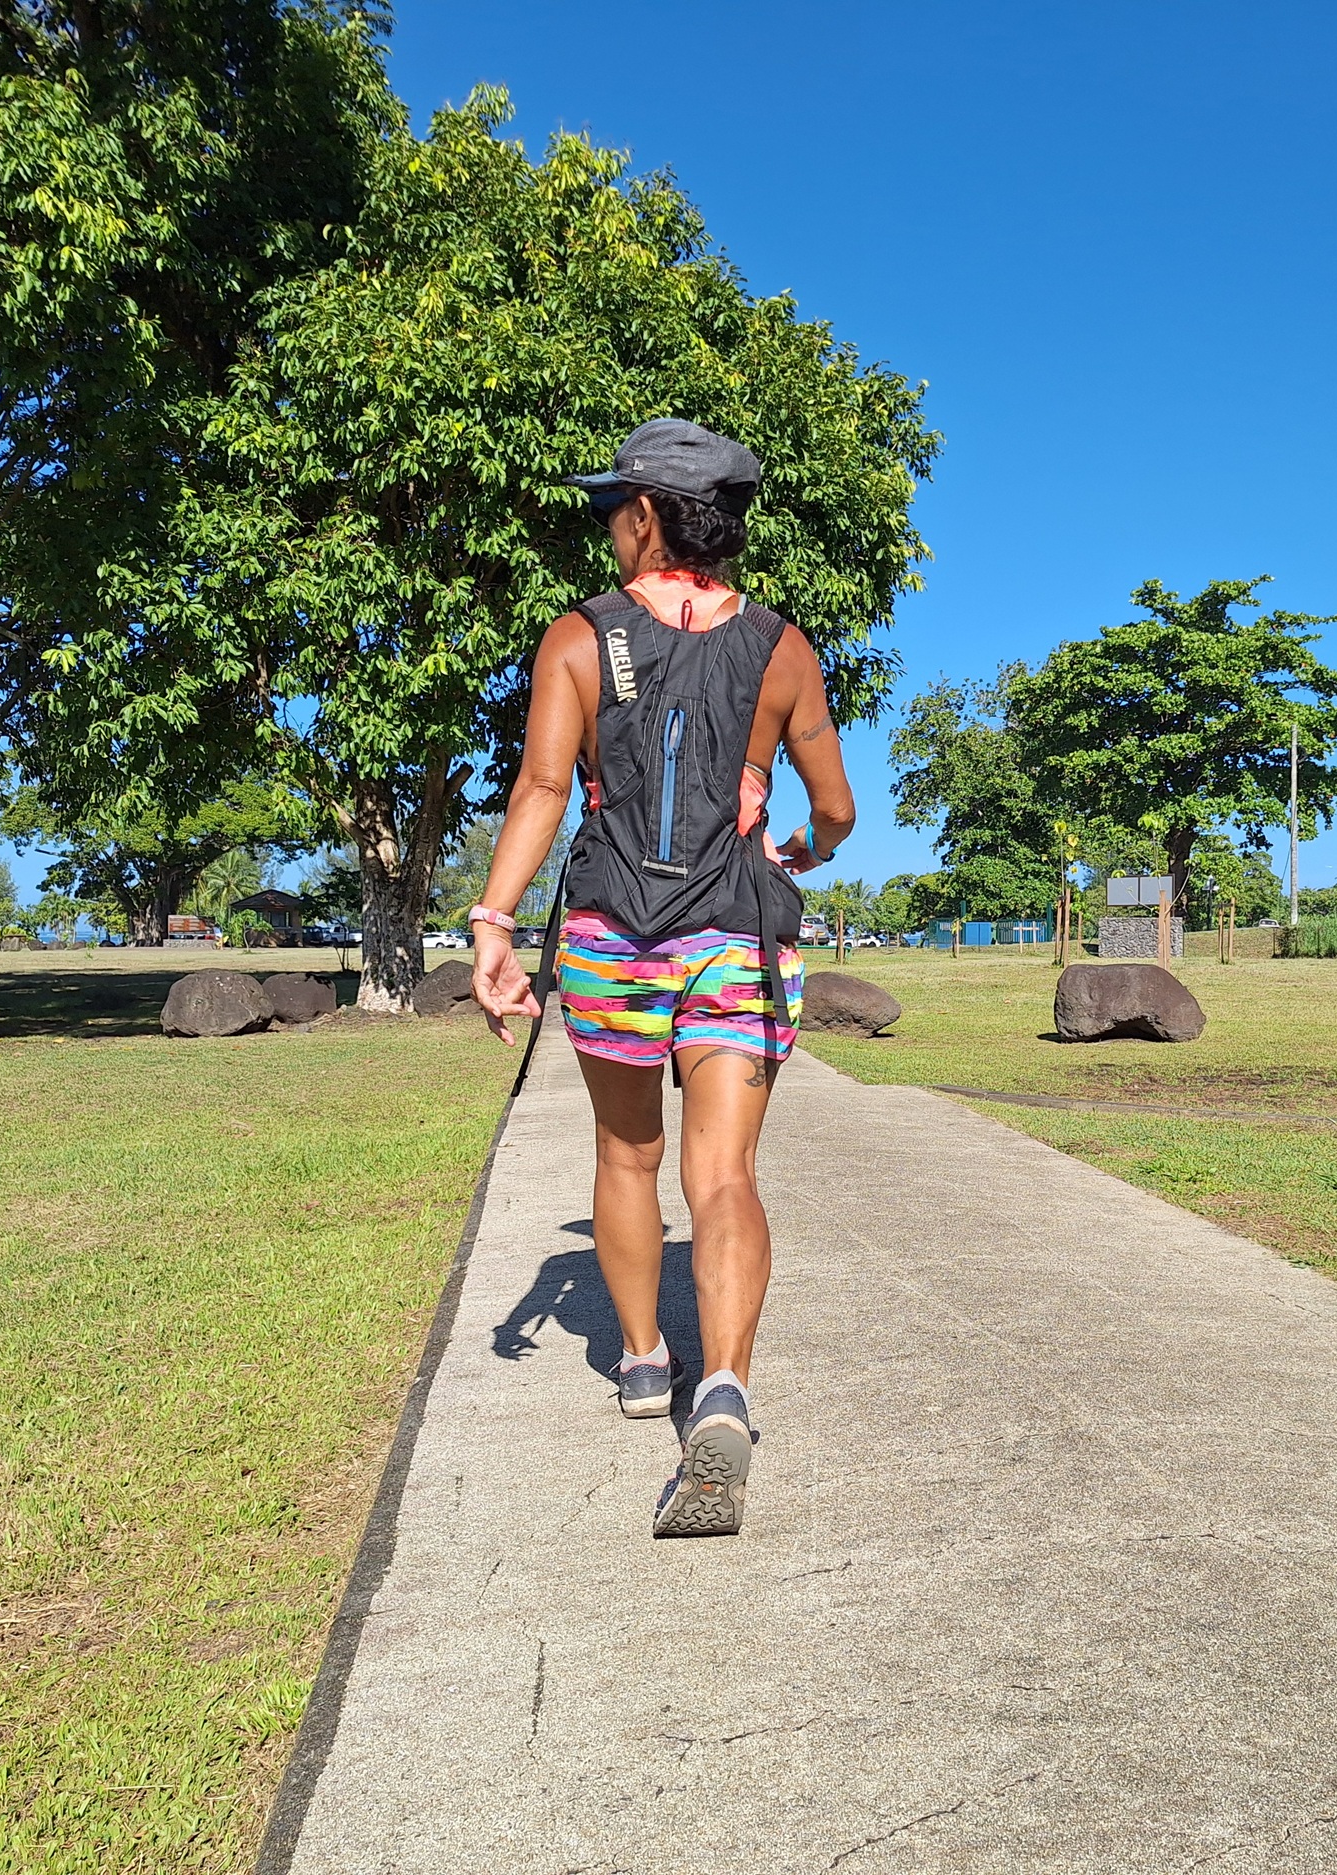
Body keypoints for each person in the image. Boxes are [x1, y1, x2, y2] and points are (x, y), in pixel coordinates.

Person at [468, 418, 855, 1538]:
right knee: (723, 1174)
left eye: (611, 510)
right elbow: (833, 807)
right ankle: (722, 1388)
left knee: (624, 1155)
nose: (605, 528)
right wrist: (803, 851)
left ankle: (643, 1361)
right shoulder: (783, 648)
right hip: (735, 932)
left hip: (611, 935)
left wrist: (494, 923)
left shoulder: (579, 639)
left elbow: (544, 789)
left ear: (646, 516)